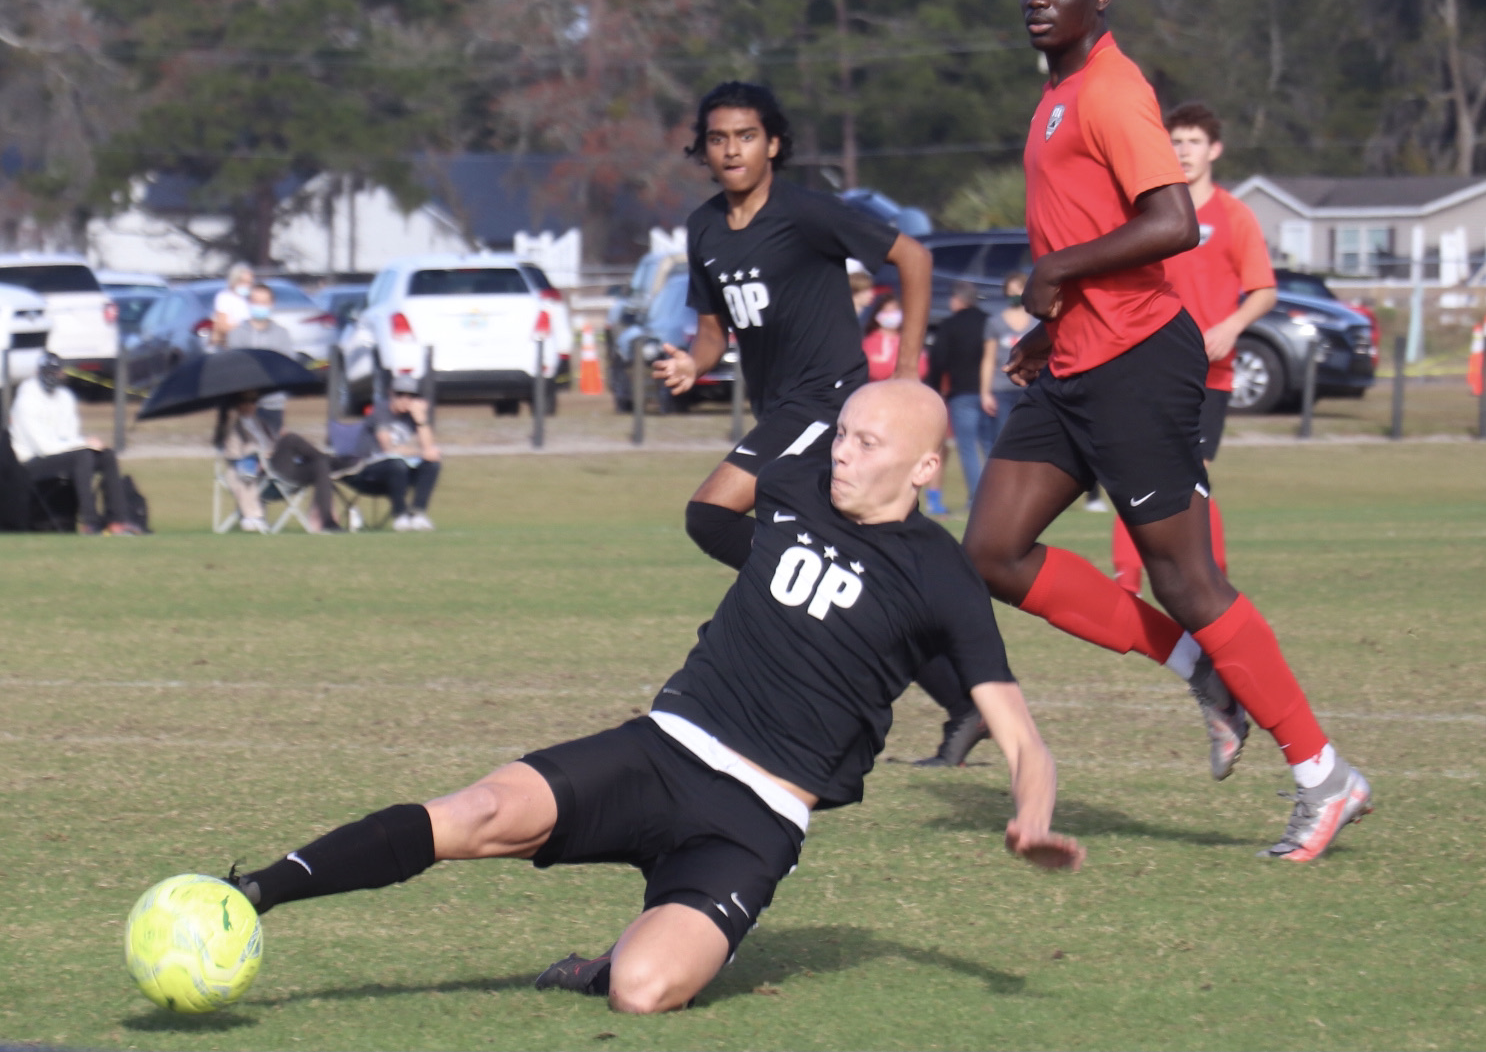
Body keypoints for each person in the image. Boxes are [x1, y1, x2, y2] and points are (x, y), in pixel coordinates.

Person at [222, 381, 1084, 1013]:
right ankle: (254, 891)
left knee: (642, 990)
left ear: (927, 466)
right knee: (479, 808)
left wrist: (1034, 817)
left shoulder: (942, 573)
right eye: (843, 433)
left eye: (868, 444)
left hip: (758, 819)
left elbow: (1022, 737)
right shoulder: (796, 485)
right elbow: (711, 512)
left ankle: (608, 957)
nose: (843, 453)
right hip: (664, 749)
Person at [960, 0, 1370, 862]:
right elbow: (1084, 224)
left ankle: (1323, 773)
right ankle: (1202, 674)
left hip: (1139, 361)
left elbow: (1171, 221)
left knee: (1186, 579)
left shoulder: (1110, 88)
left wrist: (1056, 273)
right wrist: (1050, 324)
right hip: (1075, 360)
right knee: (991, 550)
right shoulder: (1054, 94)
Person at [652, 80, 933, 573]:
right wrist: (692, 364)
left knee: (711, 515)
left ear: (773, 144)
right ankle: (889, 603)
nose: (732, 149)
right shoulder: (703, 229)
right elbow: (714, 334)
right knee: (863, 535)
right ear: (704, 149)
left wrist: (906, 371)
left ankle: (817, 602)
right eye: (718, 138)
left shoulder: (805, 212)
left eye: (747, 135)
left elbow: (913, 257)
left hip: (827, 400)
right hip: (777, 410)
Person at [1110, 102, 1276, 595]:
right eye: (1175, 141)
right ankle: (1127, 581)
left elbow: (1264, 290)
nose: (1183, 151)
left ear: (1215, 150)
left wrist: (1231, 325)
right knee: (1133, 467)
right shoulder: (1151, 214)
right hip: (1145, 364)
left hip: (1208, 372)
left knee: (1189, 474)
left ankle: (1213, 579)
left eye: (1193, 142)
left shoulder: (1235, 216)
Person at [8, 352, 137, 535]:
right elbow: (43, 448)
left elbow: (69, 436)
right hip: (30, 463)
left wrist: (85, 445)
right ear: (39, 373)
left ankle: (117, 520)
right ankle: (90, 522)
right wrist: (84, 444)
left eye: (56, 372)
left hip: (61, 453)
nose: (52, 377)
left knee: (106, 455)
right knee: (83, 456)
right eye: (48, 372)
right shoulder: (26, 402)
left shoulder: (65, 398)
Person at [213, 392, 344, 533]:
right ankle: (337, 463)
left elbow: (272, 444)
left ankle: (328, 522)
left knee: (320, 465)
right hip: (265, 474)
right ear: (237, 405)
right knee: (290, 439)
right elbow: (233, 455)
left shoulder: (260, 423)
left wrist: (271, 448)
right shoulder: (233, 428)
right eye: (246, 401)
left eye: (254, 401)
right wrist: (259, 455)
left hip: (281, 469)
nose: (251, 405)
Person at [931, 280, 996, 500]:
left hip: (962, 392)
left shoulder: (950, 325)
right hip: (991, 392)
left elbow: (938, 359)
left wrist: (934, 387)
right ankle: (995, 497)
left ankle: (977, 499)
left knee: (968, 448)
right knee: (990, 445)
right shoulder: (988, 322)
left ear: (957, 300)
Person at [350, 375, 442, 531]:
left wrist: (421, 420)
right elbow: (388, 448)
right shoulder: (381, 411)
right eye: (400, 395)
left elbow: (429, 448)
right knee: (397, 464)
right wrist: (421, 453)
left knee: (432, 464)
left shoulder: (412, 415)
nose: (405, 400)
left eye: (411, 396)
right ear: (391, 394)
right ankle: (400, 516)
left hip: (400, 468)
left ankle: (418, 513)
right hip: (369, 468)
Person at [225, 283, 294, 437]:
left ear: (271, 304)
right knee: (248, 449)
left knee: (271, 449)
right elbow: (235, 368)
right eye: (256, 302)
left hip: (273, 403)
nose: (260, 306)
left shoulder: (282, 334)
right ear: (249, 303)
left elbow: (286, 368)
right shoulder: (236, 334)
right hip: (244, 404)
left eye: (264, 303)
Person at [981, 272, 1035, 446]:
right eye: (1011, 291)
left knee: (1030, 437)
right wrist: (985, 392)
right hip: (1002, 388)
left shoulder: (1036, 322)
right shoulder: (995, 322)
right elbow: (988, 359)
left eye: (1019, 291)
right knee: (1003, 439)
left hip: (1030, 386)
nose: (1015, 296)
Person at [211, 263, 255, 348]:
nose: (247, 285)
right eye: (243, 281)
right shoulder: (224, 297)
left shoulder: (247, 300)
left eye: (249, 282)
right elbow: (222, 325)